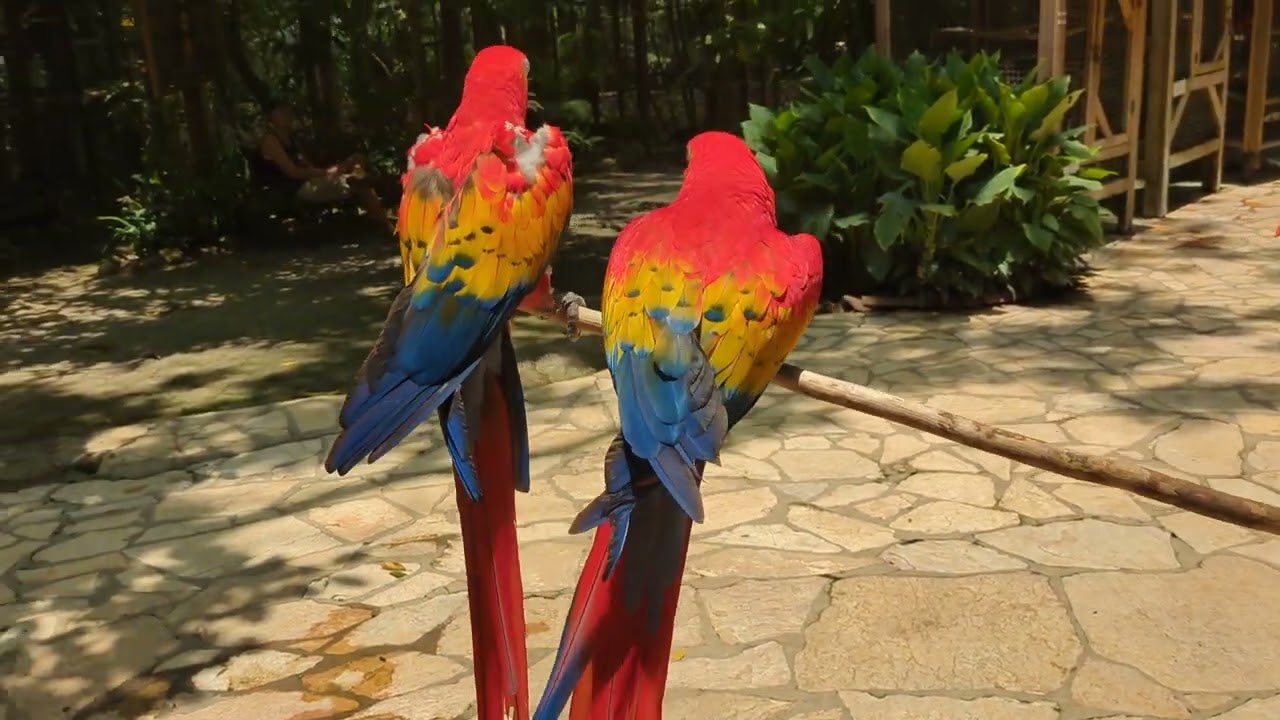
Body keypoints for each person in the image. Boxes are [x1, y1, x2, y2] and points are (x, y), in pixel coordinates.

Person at [255, 103, 394, 234]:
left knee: (357, 159)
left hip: (311, 181)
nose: (287, 114)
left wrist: (328, 173)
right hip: (296, 188)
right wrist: (324, 173)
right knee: (359, 183)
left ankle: (373, 206)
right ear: (271, 117)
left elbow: (306, 165)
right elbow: (292, 172)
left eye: (287, 110)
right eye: (281, 111)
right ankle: (388, 225)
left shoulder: (291, 139)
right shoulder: (270, 141)